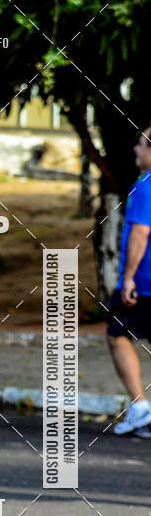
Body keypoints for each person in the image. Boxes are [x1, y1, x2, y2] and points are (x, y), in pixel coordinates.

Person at [106, 125, 151, 435]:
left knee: (116, 333)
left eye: (141, 144)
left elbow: (139, 232)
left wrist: (128, 278)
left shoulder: (146, 185)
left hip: (145, 282)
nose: (135, 150)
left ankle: (139, 407)